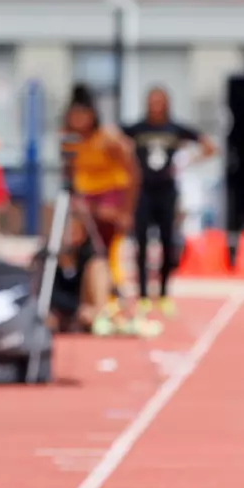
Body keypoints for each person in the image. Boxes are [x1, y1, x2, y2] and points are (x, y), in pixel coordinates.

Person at [61, 84, 147, 337]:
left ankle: (113, 303)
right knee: (80, 252)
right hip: (83, 202)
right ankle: (89, 302)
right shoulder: (69, 139)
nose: (77, 121)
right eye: (73, 116)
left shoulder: (109, 138)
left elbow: (132, 172)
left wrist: (126, 210)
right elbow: (68, 173)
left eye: (82, 116)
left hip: (110, 200)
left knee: (108, 252)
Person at [124, 86, 214, 320]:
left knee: (167, 243)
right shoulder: (137, 128)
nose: (155, 106)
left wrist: (186, 161)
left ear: (166, 104)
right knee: (141, 244)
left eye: (160, 101)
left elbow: (209, 146)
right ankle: (143, 295)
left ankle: (163, 294)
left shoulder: (175, 129)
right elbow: (115, 142)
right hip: (143, 191)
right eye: (152, 101)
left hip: (167, 192)